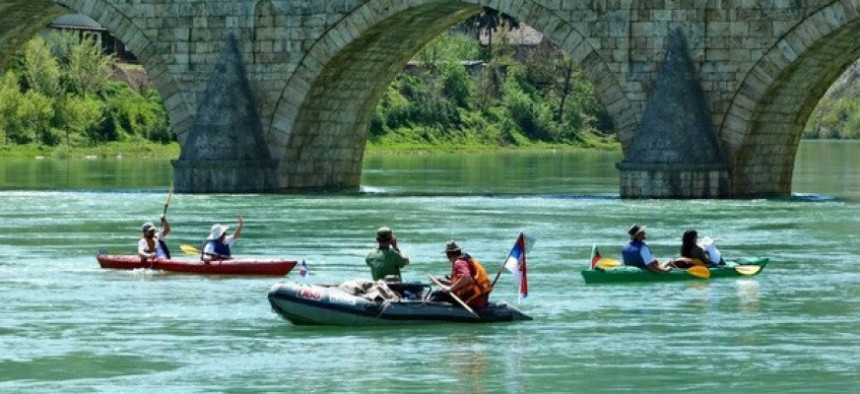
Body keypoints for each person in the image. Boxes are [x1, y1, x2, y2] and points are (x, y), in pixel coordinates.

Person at [430, 241, 492, 310]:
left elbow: (466, 278)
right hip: (480, 298)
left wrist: (450, 289)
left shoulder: (459, 263)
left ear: (449, 255)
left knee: (437, 294)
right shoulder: (465, 260)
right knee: (442, 290)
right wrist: (441, 281)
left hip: (473, 301)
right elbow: (461, 283)